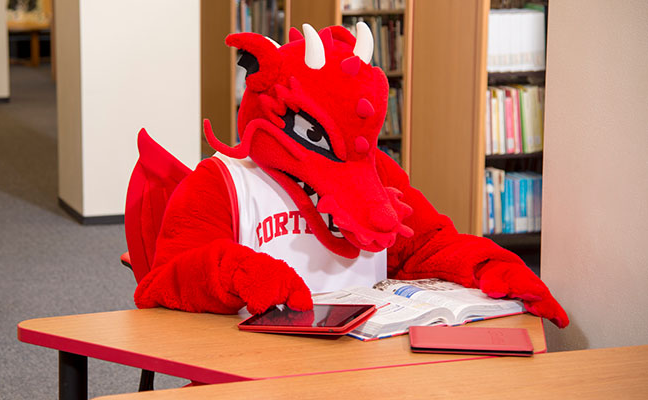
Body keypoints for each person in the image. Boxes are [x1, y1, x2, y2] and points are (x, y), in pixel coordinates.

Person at [133, 23, 568, 328]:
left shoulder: (371, 169)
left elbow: (426, 244)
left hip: (365, 358)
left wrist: (489, 264)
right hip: (252, 362)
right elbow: (165, 280)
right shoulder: (221, 181)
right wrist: (238, 273)